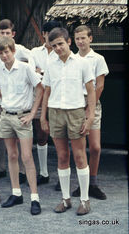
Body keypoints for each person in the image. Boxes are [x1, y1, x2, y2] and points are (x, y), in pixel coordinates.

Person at [41, 27, 95, 216]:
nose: (57, 48)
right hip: (55, 112)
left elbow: (91, 90)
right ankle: (65, 199)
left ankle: (85, 200)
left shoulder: (82, 63)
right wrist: (43, 116)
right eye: (54, 45)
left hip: (76, 112)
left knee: (80, 156)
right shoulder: (50, 64)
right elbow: (47, 90)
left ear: (69, 42)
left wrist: (90, 117)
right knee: (62, 156)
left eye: (60, 44)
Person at [0, 37, 44, 215]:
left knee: (26, 156)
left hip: (23, 117)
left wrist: (32, 113)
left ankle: (34, 197)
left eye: (7, 52)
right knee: (12, 155)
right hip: (6, 115)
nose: (4, 55)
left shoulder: (25, 68)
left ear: (13, 51)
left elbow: (40, 88)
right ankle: (16, 193)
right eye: (1, 53)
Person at [0, 19, 32, 183]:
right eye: (2, 32)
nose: (4, 35)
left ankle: (21, 170)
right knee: (2, 135)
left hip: (17, 100)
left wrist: (37, 70)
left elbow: (32, 62)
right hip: (1, 99)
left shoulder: (19, 50)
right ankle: (1, 166)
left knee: (19, 137)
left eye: (8, 33)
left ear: (13, 34)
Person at [71, 25, 109, 200]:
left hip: (92, 104)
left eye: (83, 38)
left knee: (95, 147)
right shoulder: (72, 59)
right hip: (76, 105)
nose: (80, 41)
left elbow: (99, 85)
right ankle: (83, 184)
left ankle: (92, 183)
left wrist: (90, 108)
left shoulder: (98, 59)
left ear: (90, 39)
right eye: (77, 38)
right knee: (79, 148)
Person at [30, 20, 61, 186]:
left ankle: (60, 176)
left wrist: (41, 71)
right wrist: (42, 74)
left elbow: (56, 75)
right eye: (48, 33)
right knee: (41, 134)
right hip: (40, 96)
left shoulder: (61, 51)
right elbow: (31, 73)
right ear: (43, 34)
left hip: (58, 98)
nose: (51, 37)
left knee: (58, 137)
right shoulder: (34, 52)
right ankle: (44, 173)